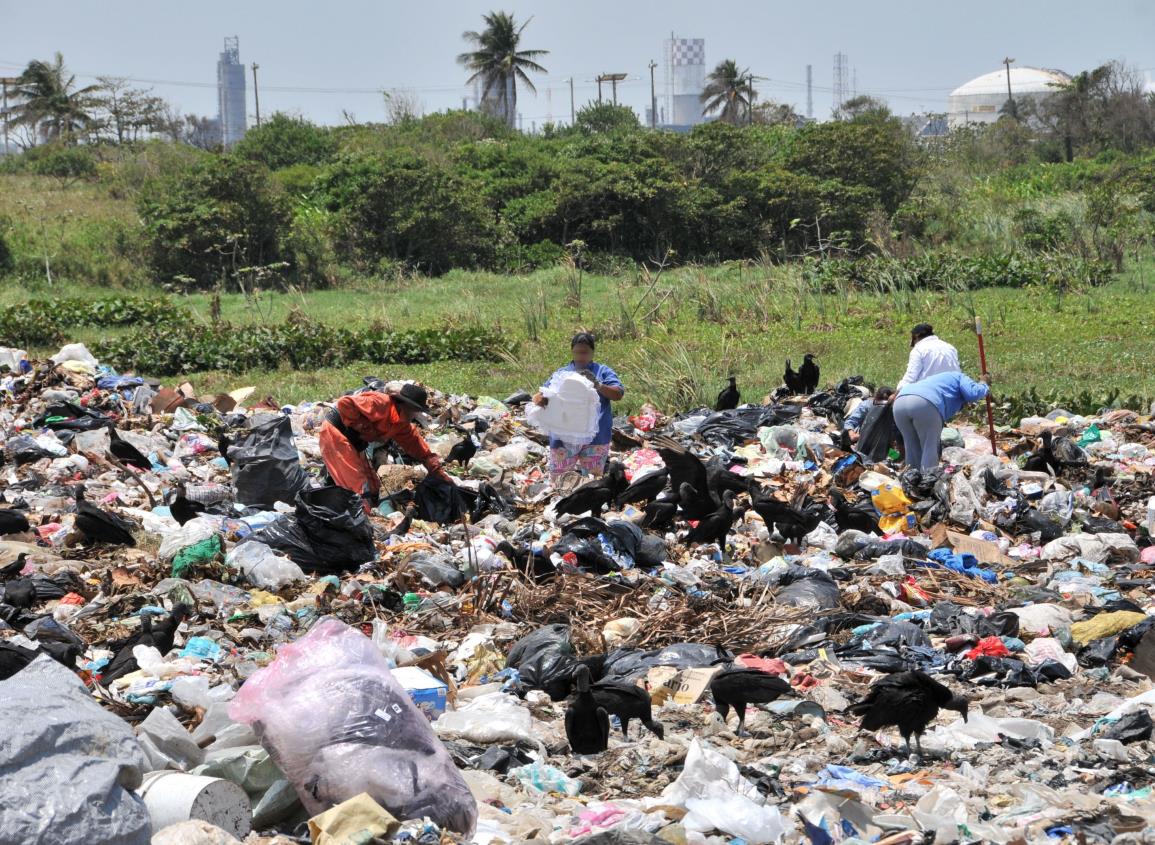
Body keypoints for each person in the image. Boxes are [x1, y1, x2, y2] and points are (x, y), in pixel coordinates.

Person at [319, 382, 451, 511]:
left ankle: (363, 508)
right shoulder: (381, 403)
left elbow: (420, 449)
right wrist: (364, 427)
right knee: (357, 486)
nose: (415, 414)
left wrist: (437, 472)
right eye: (414, 410)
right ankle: (363, 518)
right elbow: (344, 404)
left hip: (354, 441)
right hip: (336, 434)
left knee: (373, 486)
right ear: (404, 404)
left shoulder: (402, 425)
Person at [532, 332, 624, 486]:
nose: (581, 356)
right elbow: (540, 396)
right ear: (572, 352)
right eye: (577, 352)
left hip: (596, 438)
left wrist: (598, 385)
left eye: (585, 352)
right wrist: (542, 399)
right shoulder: (562, 374)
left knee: (593, 483)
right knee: (558, 481)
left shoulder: (602, 372)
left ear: (592, 353)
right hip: (563, 438)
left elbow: (618, 394)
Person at [892, 370, 991, 471]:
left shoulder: (937, 380)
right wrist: (984, 383)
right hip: (924, 403)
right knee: (929, 447)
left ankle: (910, 480)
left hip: (899, 402)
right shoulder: (959, 377)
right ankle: (927, 482)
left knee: (912, 447)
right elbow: (973, 393)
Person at [895, 323, 960, 392]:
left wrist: (897, 392)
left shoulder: (918, 350)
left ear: (916, 336)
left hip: (929, 394)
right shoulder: (950, 347)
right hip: (953, 391)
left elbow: (910, 378)